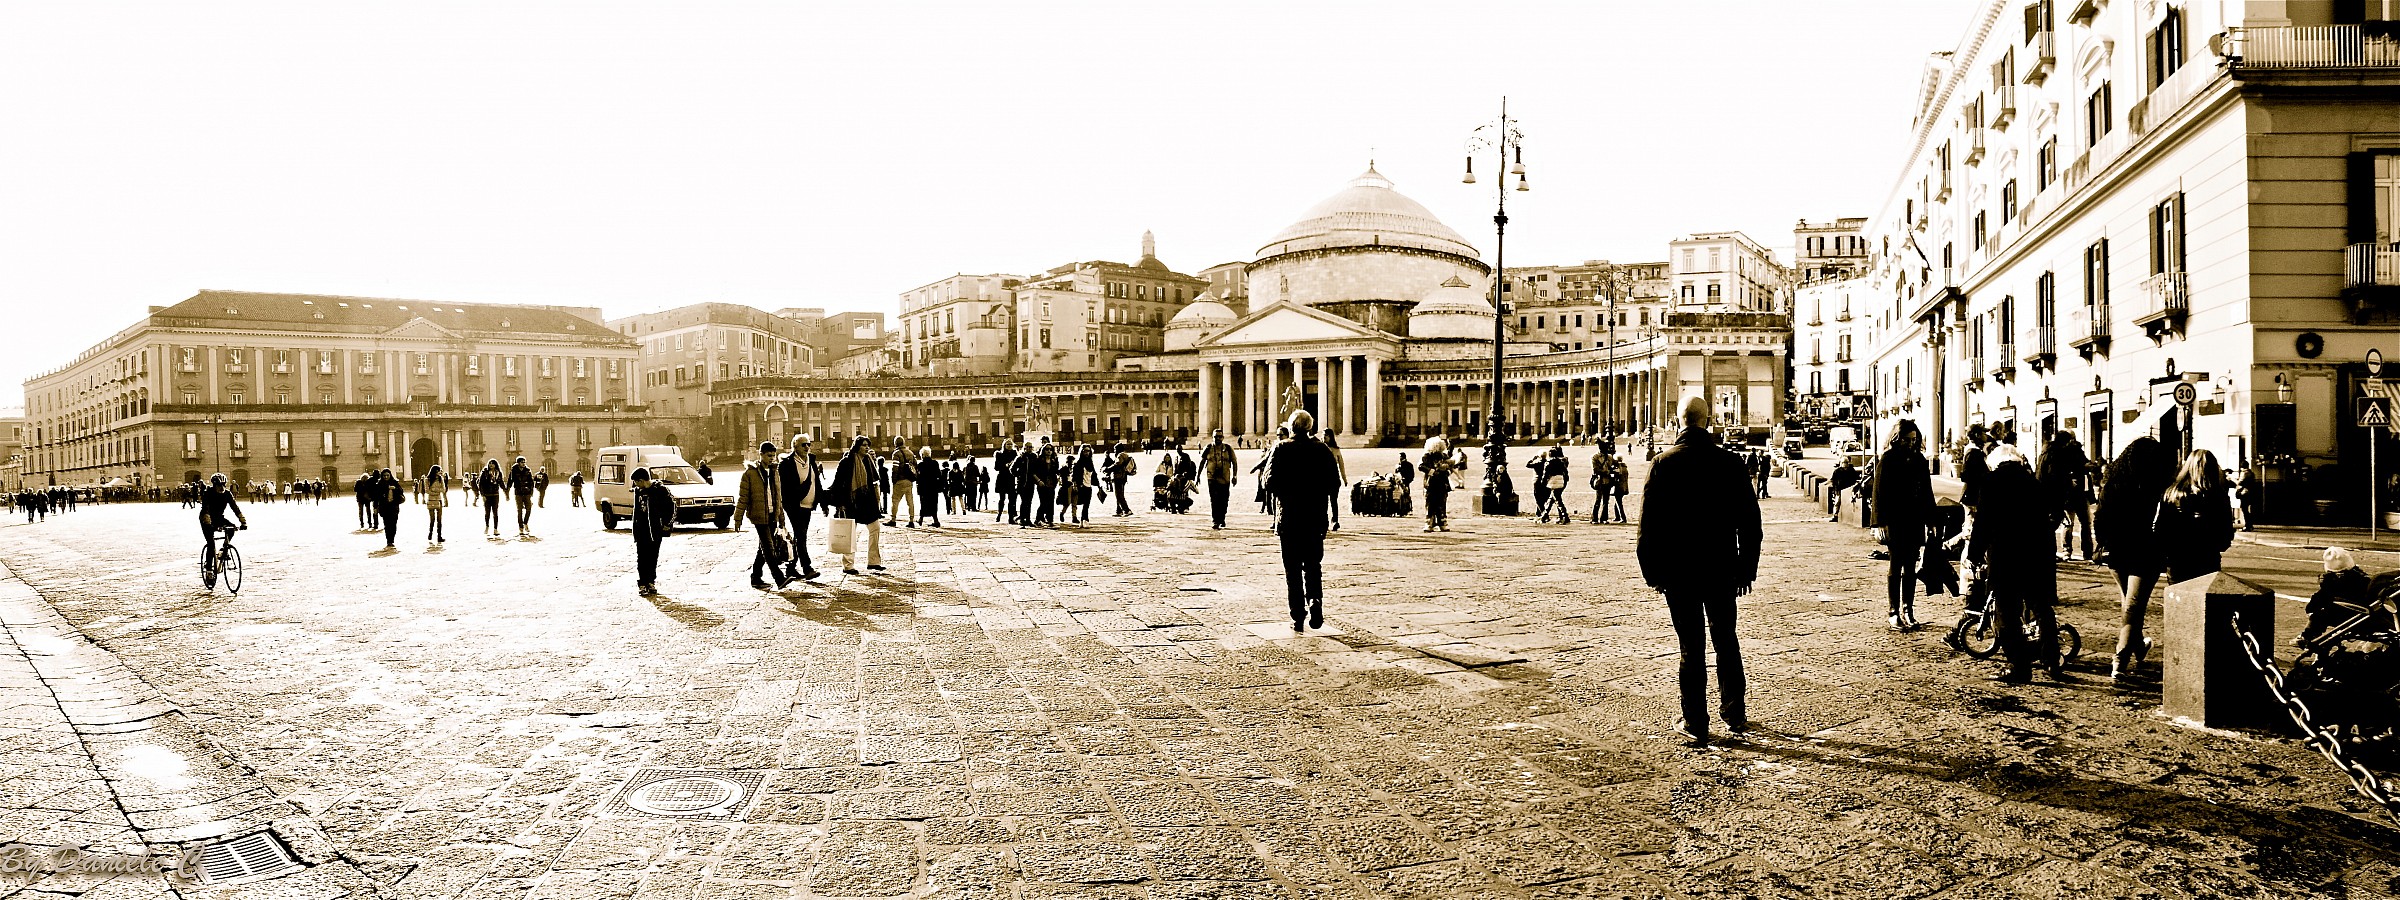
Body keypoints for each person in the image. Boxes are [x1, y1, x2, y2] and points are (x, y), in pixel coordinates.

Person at [1636, 396, 1762, 748]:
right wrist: (1746, 569)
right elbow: (1751, 523)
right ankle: (1734, 712)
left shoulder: (1663, 463)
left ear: (1679, 421)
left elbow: (1649, 527)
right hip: (1722, 568)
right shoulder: (1730, 462)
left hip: (1679, 572)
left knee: (1691, 647)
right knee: (1727, 640)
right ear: (1708, 421)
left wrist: (1653, 573)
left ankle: (1695, 721)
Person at [1975, 441, 2066, 684]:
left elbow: (1982, 524)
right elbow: (2051, 513)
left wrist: (1974, 556)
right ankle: (2052, 660)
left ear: (1994, 464)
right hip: (2037, 554)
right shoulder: (2033, 482)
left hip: (2007, 555)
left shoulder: (1991, 483)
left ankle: (2019, 665)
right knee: (2041, 608)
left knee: (2006, 610)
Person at [2095, 436, 2177, 683]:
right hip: (2145, 551)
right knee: (2133, 606)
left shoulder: (2114, 482)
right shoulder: (2158, 484)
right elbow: (2165, 522)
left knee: (2129, 604)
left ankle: (2138, 645)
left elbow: (2100, 517)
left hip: (2117, 550)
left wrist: (2103, 542)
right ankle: (2120, 660)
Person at [1266, 411, 1340, 632]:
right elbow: (1334, 483)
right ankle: (1315, 601)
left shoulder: (1281, 448)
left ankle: (1297, 615)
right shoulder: (1321, 450)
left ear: (1291, 427)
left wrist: (1286, 493)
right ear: (1310, 427)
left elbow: (1268, 481)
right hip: (1315, 517)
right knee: (1313, 566)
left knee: (1292, 570)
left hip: (1288, 517)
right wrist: (1317, 494)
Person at [1873, 420, 1935, 631]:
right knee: (1895, 564)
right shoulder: (1888, 459)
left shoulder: (1919, 460)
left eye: (1914, 440)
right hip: (1895, 520)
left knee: (1911, 567)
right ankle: (1894, 612)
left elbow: (1927, 492)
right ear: (1897, 439)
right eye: (1907, 440)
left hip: (1914, 519)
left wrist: (1932, 519)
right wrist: (1879, 523)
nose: (1911, 443)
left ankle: (1908, 609)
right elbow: (1878, 493)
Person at [2157, 449, 2235, 585]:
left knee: (2179, 598)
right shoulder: (2219, 496)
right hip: (2207, 558)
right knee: (2204, 598)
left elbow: (2161, 528)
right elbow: (2225, 535)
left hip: (2177, 558)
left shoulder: (2172, 493)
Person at [736, 441, 792, 590]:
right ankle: (779, 578)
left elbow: (778, 496)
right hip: (759, 515)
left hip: (773, 514)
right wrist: (738, 518)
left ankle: (756, 577)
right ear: (760, 455)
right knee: (768, 547)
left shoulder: (775, 471)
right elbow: (743, 497)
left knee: (764, 548)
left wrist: (781, 518)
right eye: (769, 455)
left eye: (773, 455)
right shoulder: (750, 473)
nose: (772, 458)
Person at [828, 435, 887, 574]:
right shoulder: (846, 462)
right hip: (851, 501)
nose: (867, 448)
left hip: (867, 501)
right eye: (864, 445)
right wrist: (840, 503)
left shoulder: (868, 461)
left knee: (875, 528)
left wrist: (877, 502)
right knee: (850, 532)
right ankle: (848, 565)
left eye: (868, 445)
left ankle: (874, 561)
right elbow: (838, 484)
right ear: (857, 446)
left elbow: (873, 482)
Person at [2038, 430, 2093, 560]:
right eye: (2071, 439)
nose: (2072, 441)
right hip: (2066, 493)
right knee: (2067, 522)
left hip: (2070, 492)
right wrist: (2070, 480)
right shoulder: (2057, 453)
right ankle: (2068, 550)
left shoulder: (2050, 451)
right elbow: (2056, 473)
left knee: (2075, 522)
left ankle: (2078, 551)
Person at [778, 434, 825, 581]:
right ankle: (807, 568)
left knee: (800, 537)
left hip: (808, 505)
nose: (807, 447)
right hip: (794, 505)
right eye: (803, 445)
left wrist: (823, 503)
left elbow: (817, 483)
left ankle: (791, 568)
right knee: (801, 535)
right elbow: (784, 488)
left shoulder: (811, 461)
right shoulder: (786, 464)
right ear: (795, 447)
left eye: (808, 444)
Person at [630, 467, 675, 596]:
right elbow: (637, 511)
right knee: (641, 558)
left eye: (636, 482)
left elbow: (672, 507)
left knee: (652, 557)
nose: (635, 485)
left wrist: (667, 524)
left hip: (655, 531)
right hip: (641, 530)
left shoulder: (660, 490)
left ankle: (651, 582)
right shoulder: (638, 491)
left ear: (642, 480)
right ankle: (642, 583)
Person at [198, 473, 248, 567]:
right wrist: (209, 523)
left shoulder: (227, 493)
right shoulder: (208, 492)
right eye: (219, 485)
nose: (221, 487)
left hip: (218, 517)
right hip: (206, 518)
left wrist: (243, 521)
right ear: (214, 485)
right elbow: (206, 508)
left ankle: (224, 550)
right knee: (211, 544)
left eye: (223, 485)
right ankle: (209, 568)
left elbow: (235, 507)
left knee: (231, 529)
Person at [1201, 430, 1238, 529]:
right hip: (1212, 477)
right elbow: (1202, 462)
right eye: (1215, 437)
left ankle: (1222, 518)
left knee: (1224, 499)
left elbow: (1234, 462)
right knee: (1214, 499)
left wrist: (1235, 476)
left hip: (1225, 478)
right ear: (1212, 437)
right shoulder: (1208, 448)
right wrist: (1198, 476)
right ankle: (1215, 520)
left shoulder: (1228, 449)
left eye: (1220, 437)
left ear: (1223, 438)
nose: (1217, 439)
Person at [1420, 436, 1455, 532]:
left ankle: (1442, 522)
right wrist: (1432, 471)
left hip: (1442, 482)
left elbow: (1450, 467)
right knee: (1430, 503)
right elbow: (1421, 466)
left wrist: (1447, 471)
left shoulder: (1443, 456)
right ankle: (1429, 523)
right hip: (1431, 483)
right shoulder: (1427, 456)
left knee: (1441, 503)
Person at [373, 467, 405, 551]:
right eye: (384, 476)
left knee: (393, 523)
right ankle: (388, 540)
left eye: (387, 475)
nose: (386, 477)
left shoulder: (395, 483)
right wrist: (375, 507)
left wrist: (395, 489)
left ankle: (392, 538)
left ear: (390, 475)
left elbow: (401, 491)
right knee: (387, 524)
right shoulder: (379, 484)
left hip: (394, 506)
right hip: (384, 507)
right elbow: (376, 497)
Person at [1032, 437, 1060, 526]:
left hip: (1051, 483)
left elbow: (1056, 471)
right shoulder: (1039, 460)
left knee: (1051, 502)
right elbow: (1033, 472)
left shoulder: (1054, 460)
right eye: (1047, 449)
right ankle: (1038, 519)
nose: (1049, 451)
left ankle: (1050, 520)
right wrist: (1038, 481)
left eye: (1050, 449)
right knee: (1043, 502)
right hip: (1042, 483)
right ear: (1043, 450)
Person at [889, 444, 918, 527]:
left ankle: (893, 519)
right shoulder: (910, 452)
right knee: (910, 501)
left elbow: (895, 468)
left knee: (895, 500)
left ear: (895, 444)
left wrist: (894, 480)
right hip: (909, 481)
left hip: (900, 480)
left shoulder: (896, 453)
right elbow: (915, 466)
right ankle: (911, 520)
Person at [915, 448, 944, 527]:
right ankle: (935, 520)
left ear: (923, 455)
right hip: (933, 487)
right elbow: (939, 474)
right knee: (934, 503)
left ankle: (921, 519)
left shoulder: (921, 465)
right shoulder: (935, 463)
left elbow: (918, 477)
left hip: (924, 487)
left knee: (923, 503)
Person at [508, 456, 537, 536]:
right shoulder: (514, 471)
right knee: (519, 510)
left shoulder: (528, 470)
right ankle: (521, 527)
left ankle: (525, 523)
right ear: (518, 463)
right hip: (518, 493)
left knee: (529, 508)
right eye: (522, 462)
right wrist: (507, 490)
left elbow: (531, 482)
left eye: (524, 462)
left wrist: (531, 492)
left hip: (527, 492)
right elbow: (510, 481)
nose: (523, 464)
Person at [476, 459, 505, 536]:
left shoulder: (498, 473)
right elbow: (480, 484)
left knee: (495, 512)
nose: (491, 465)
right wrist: (482, 494)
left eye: (493, 464)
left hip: (495, 494)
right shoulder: (485, 472)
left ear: (496, 465)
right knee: (487, 512)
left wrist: (506, 491)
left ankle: (495, 529)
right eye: (490, 463)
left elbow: (501, 483)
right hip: (487, 495)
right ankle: (487, 526)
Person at [423, 464, 449, 544]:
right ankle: (430, 533)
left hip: (439, 500)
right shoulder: (427, 479)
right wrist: (437, 491)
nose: (441, 472)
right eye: (439, 470)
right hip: (431, 500)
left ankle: (439, 536)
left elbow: (444, 489)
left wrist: (433, 490)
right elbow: (427, 490)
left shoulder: (441, 479)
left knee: (439, 519)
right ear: (435, 471)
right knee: (432, 519)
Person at [994, 440, 1018, 524]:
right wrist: (1005, 465)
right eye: (1008, 444)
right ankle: (999, 513)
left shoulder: (1015, 454)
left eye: (1011, 444)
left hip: (1011, 478)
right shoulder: (999, 454)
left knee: (1012, 499)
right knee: (1002, 498)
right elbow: (996, 467)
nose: (1009, 445)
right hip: (1002, 477)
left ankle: (1011, 517)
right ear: (1004, 445)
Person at [1110, 442, 1136, 518]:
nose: (1114, 451)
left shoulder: (1120, 455)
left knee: (1119, 495)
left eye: (1115, 449)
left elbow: (1118, 464)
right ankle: (1119, 511)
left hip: (1118, 477)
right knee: (1120, 494)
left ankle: (1126, 510)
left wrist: (1108, 469)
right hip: (1123, 477)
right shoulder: (1125, 455)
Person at [1828, 458, 1859, 522]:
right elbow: (1833, 481)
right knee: (1837, 502)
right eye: (1843, 463)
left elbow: (1856, 479)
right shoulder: (1837, 471)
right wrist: (1835, 490)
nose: (1844, 464)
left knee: (1850, 502)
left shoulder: (1851, 470)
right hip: (1839, 490)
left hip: (1849, 489)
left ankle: (1849, 516)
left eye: (1846, 463)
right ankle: (1835, 515)